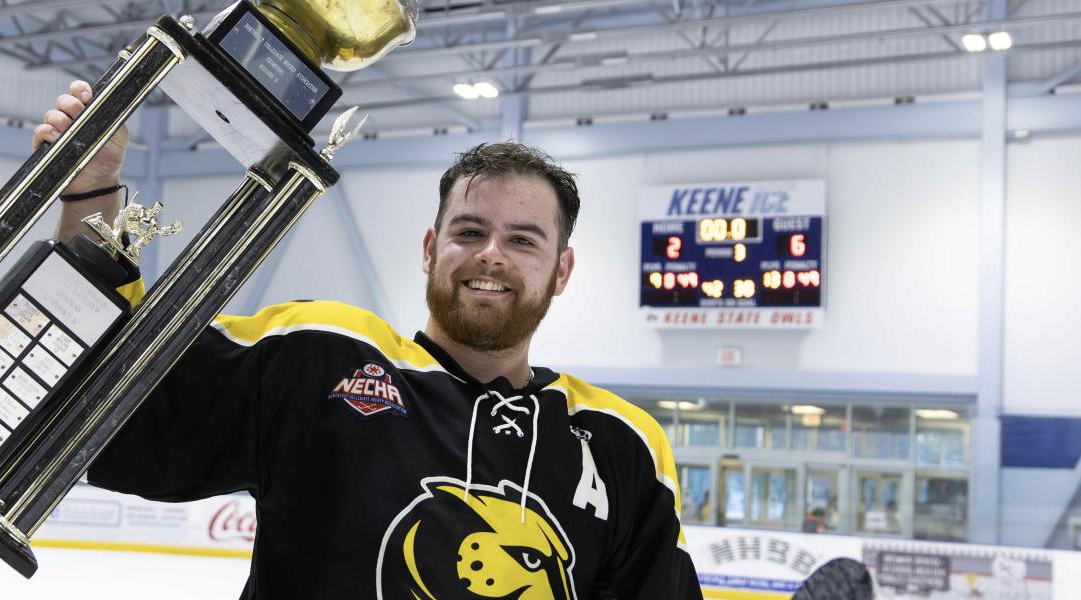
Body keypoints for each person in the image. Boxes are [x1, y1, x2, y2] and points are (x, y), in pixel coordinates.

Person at [35, 80, 702, 599]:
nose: (492, 255)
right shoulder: (320, 355)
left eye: (523, 241)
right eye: (469, 232)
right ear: (429, 249)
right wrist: (90, 196)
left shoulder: (621, 445)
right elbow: (104, 401)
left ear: (561, 271)